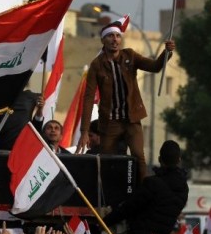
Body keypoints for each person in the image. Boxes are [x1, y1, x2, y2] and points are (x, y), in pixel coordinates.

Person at [75, 15, 176, 182]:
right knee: (107, 161)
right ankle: (108, 196)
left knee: (138, 157)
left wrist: (167, 52)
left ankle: (143, 190)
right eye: (110, 36)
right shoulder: (96, 65)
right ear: (103, 40)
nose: (115, 40)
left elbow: (155, 67)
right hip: (110, 122)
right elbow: (88, 98)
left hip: (132, 118)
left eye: (117, 36)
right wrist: (84, 131)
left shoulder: (130, 55)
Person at [103, 140, 188, 234]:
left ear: (159, 159)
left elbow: (129, 207)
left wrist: (104, 222)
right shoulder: (183, 188)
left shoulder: (152, 183)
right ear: (179, 160)